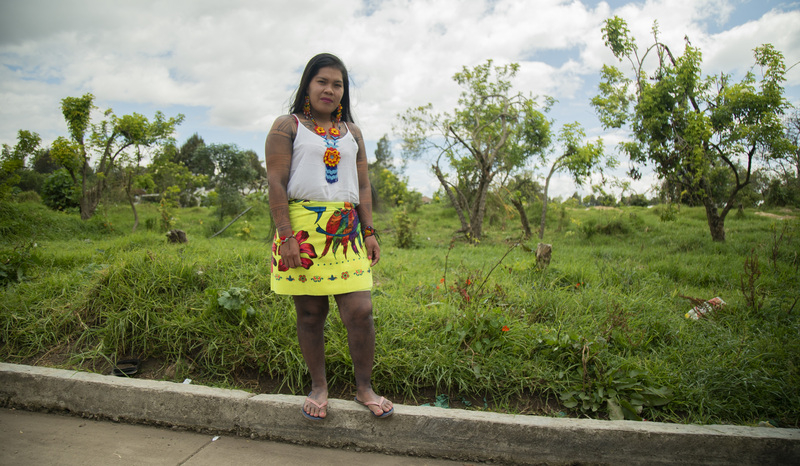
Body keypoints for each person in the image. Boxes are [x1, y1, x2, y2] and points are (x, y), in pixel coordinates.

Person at [265, 53, 393, 421]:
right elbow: (275, 181)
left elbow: (363, 184)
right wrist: (285, 234)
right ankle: (319, 387)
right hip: (300, 229)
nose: (330, 90)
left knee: (361, 310)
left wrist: (369, 231)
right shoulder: (286, 126)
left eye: (338, 84)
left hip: (346, 229)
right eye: (322, 81)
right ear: (308, 84)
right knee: (310, 313)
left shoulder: (352, 132)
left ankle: (364, 387)